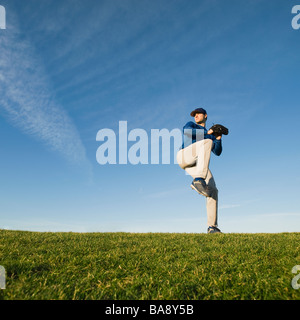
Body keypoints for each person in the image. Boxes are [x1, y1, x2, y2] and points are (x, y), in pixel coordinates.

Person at [177, 107, 223, 234]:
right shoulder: (191, 125)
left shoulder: (210, 135)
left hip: (198, 165)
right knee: (207, 141)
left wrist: (218, 138)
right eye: (194, 114)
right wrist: (209, 133)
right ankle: (198, 180)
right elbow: (187, 131)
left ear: (205, 116)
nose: (195, 116)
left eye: (198, 114)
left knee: (213, 189)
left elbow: (217, 152)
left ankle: (212, 227)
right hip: (184, 156)